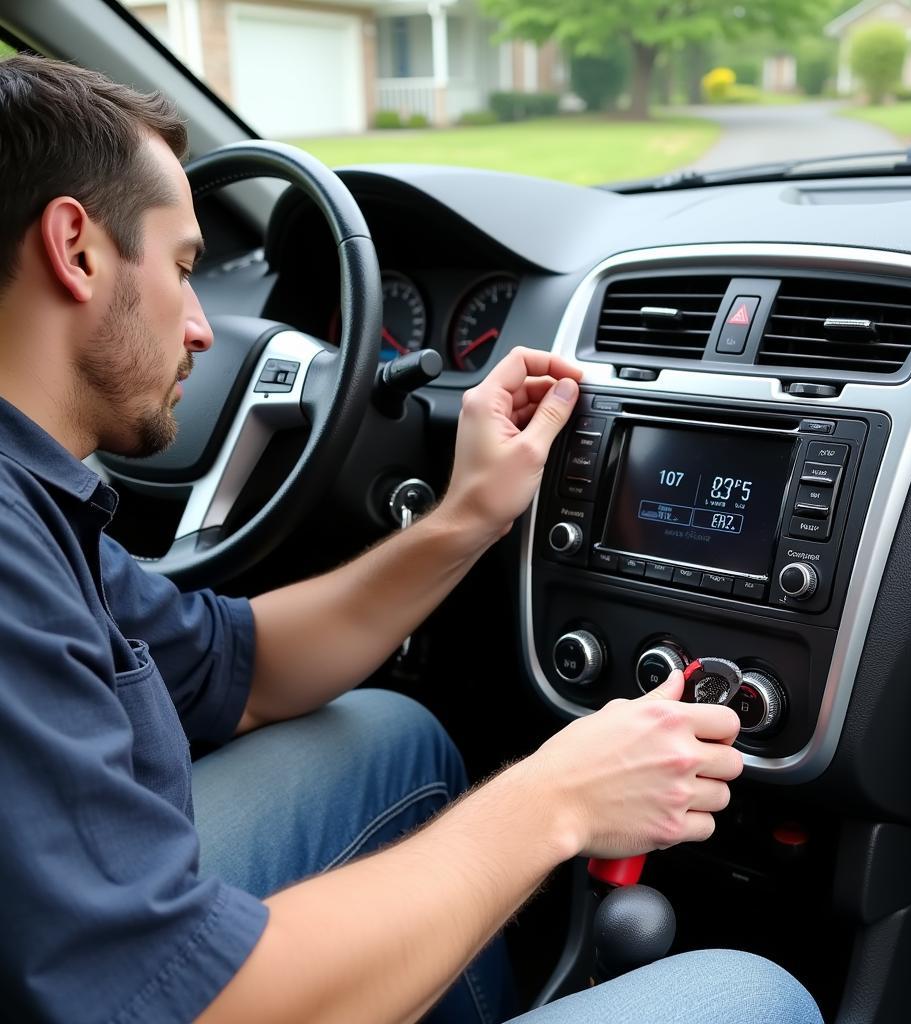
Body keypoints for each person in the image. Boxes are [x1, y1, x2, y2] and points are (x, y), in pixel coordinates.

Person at [0, 54, 823, 1024]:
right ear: (77, 249)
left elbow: (247, 666)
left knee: (396, 739)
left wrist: (470, 512)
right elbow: (190, 1004)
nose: (202, 329)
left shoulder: (37, 504)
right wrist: (559, 797)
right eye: (183, 268)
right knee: (756, 996)